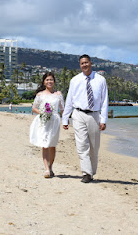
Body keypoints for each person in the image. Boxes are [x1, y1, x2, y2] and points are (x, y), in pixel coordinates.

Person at [62, 54, 108, 183]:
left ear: (91, 63)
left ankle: (91, 171)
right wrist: (65, 118)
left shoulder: (100, 80)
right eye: (82, 63)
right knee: (82, 145)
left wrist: (103, 120)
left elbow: (104, 101)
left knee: (94, 146)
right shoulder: (75, 80)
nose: (84, 65)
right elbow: (69, 100)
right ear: (80, 65)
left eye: (86, 62)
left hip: (94, 115)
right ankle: (86, 173)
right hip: (78, 114)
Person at [29, 72, 64, 178]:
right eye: (47, 80)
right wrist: (42, 113)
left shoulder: (58, 94)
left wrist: (66, 121)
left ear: (54, 81)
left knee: (52, 145)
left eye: (51, 80)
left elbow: (62, 109)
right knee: (44, 144)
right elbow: (34, 108)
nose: (49, 82)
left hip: (54, 121)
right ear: (44, 82)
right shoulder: (40, 95)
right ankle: (46, 169)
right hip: (43, 122)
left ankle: (51, 166)